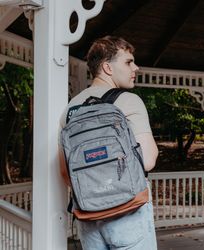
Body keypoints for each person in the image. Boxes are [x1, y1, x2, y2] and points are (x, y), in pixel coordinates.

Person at [59, 36, 158, 250]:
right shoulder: (129, 101)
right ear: (107, 67)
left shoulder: (70, 109)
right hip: (128, 211)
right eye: (128, 62)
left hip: (88, 213)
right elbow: (148, 161)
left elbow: (65, 172)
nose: (136, 67)